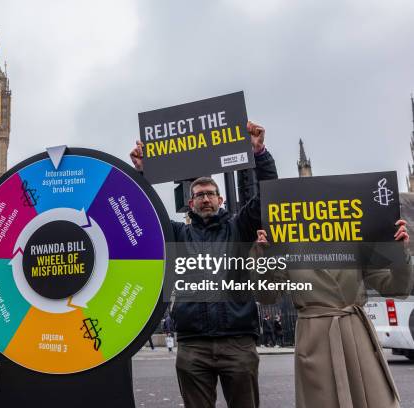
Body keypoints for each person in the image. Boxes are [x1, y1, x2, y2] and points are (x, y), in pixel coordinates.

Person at [130, 121, 277, 408]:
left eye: (211, 193)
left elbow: (268, 196)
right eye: (200, 195)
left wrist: (260, 154)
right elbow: (143, 211)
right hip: (192, 345)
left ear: (220, 199)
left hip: (237, 342)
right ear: (190, 202)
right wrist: (143, 173)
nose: (206, 198)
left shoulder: (239, 228)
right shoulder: (177, 234)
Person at [254, 223, 412, 408]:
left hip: (355, 334)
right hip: (315, 338)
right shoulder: (286, 243)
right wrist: (263, 258)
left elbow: (397, 287)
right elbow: (267, 296)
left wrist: (399, 252)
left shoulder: (356, 239)